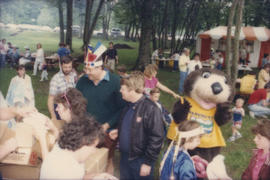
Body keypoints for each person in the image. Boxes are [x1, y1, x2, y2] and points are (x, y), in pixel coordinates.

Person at [109, 71, 164, 180]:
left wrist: (148, 163)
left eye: (123, 89)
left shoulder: (151, 109)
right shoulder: (128, 105)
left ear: (132, 90)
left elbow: (156, 138)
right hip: (125, 158)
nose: (120, 91)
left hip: (140, 160)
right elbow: (133, 126)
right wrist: (119, 131)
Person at [76, 56, 125, 173]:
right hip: (86, 130)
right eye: (85, 69)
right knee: (87, 161)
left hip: (108, 131)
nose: (87, 73)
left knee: (108, 159)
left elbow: (122, 108)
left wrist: (107, 125)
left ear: (99, 67)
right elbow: (76, 102)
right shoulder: (82, 81)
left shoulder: (115, 81)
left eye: (90, 70)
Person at [40, 114, 116, 180]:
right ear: (82, 143)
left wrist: (96, 176)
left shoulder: (64, 150)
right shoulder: (62, 172)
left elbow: (78, 177)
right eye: (93, 147)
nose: (94, 151)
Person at [48, 56, 77, 129]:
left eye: (69, 67)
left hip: (72, 108)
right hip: (60, 110)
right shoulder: (56, 79)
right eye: (65, 67)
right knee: (61, 131)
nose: (67, 69)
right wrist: (53, 116)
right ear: (61, 66)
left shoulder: (74, 75)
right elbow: (51, 99)